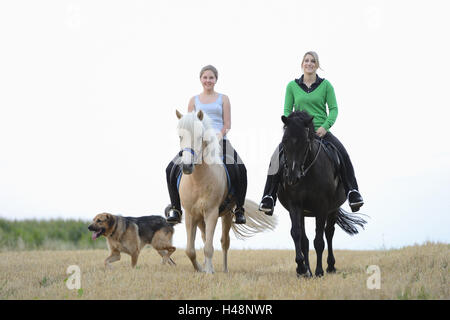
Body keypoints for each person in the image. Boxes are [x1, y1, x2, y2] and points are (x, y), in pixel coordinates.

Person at [258, 51, 364, 215]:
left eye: (313, 61)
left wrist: (325, 127)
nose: (309, 63)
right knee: (275, 158)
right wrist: (293, 128)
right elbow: (287, 111)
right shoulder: (291, 86)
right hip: (297, 133)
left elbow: (334, 109)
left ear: (317, 65)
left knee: (343, 154)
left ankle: (352, 192)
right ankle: (268, 197)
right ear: (302, 64)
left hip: (320, 131)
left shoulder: (326, 85)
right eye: (306, 61)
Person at [165, 65, 247, 224]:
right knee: (170, 168)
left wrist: (219, 135)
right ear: (200, 79)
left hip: (219, 140)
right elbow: (188, 123)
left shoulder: (223, 98)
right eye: (205, 77)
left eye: (211, 78)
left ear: (216, 80)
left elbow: (227, 123)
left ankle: (239, 209)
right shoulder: (193, 100)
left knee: (240, 168)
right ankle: (175, 208)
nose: (208, 80)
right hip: (196, 142)